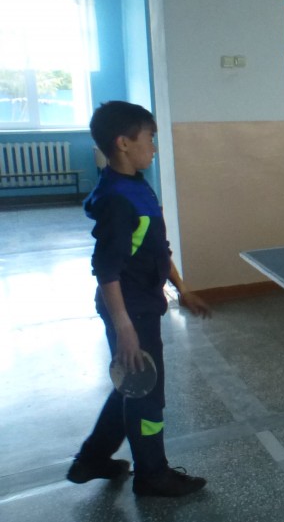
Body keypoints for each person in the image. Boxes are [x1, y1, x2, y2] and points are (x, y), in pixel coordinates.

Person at [66, 101, 212, 496]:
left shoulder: (136, 183)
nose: (154, 147)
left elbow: (156, 247)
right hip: (131, 311)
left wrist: (182, 288)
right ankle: (152, 475)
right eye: (150, 138)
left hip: (142, 303)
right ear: (124, 143)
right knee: (147, 393)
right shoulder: (117, 199)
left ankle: (92, 459)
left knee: (132, 384)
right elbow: (106, 269)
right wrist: (125, 328)